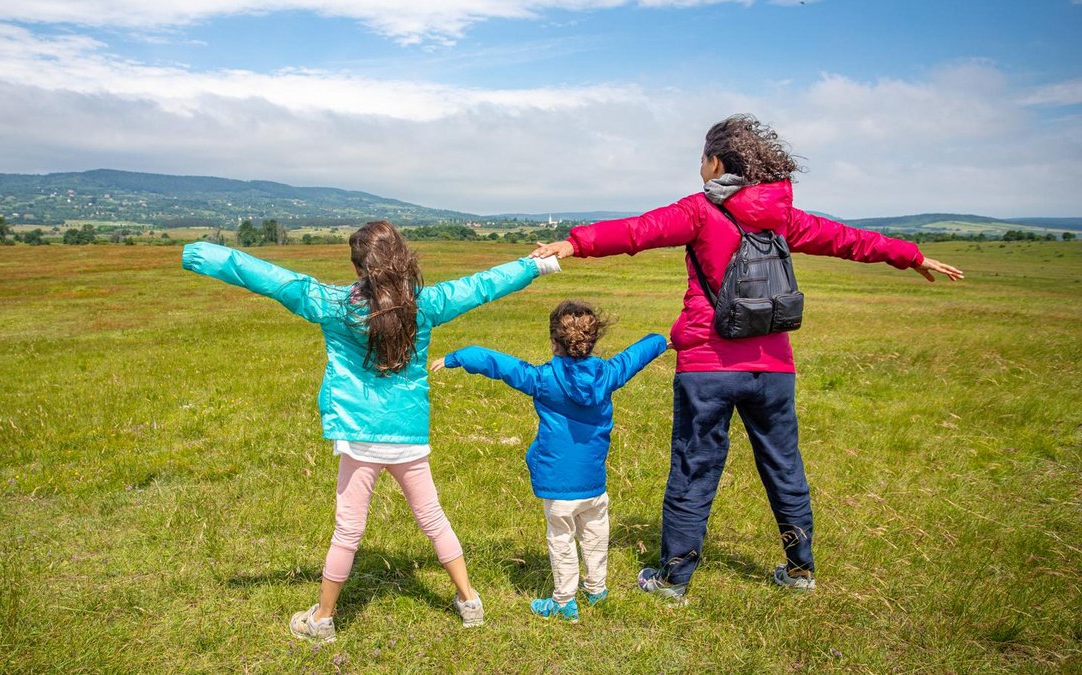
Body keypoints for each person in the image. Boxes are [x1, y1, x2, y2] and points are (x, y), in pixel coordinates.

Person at [531, 114, 963, 603]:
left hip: (707, 366)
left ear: (717, 163)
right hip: (773, 367)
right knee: (784, 466)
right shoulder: (782, 216)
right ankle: (800, 570)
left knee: (695, 468)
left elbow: (638, 231)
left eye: (702, 158)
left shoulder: (700, 211)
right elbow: (848, 239)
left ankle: (673, 579)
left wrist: (575, 243)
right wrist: (911, 255)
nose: (700, 165)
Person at [182, 220, 561, 642]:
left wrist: (203, 255)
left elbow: (272, 279)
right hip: (408, 433)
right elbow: (482, 286)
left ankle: (322, 619)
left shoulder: (334, 304)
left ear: (359, 266)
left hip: (358, 434)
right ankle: (469, 599)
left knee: (348, 530)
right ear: (402, 259)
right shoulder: (426, 303)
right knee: (433, 519)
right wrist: (536, 265)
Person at [432, 300, 667, 621]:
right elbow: (634, 356)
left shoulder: (542, 379)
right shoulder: (608, 375)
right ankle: (597, 590)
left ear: (555, 341)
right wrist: (661, 341)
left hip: (557, 486)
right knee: (596, 535)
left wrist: (458, 357)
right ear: (592, 339)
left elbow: (500, 364)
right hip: (594, 483)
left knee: (562, 541)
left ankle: (564, 602)